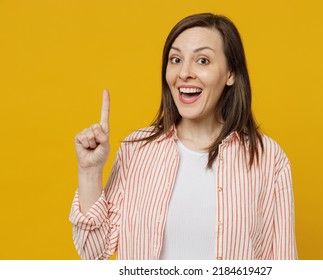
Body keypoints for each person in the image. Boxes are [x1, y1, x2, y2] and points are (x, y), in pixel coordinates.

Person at [69, 13, 297, 260]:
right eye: (176, 59)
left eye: (202, 60)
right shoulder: (136, 151)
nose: (184, 73)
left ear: (230, 73)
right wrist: (89, 171)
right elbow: (93, 252)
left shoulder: (269, 159)